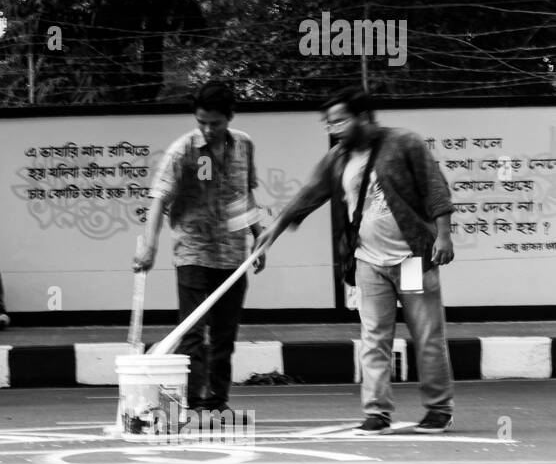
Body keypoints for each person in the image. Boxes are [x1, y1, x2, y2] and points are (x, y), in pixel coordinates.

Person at [255, 88, 455, 434]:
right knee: (374, 337)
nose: (335, 129)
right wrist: (270, 235)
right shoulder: (338, 158)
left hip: (409, 259)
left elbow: (435, 187)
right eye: (330, 124)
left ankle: (438, 409)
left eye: (340, 120)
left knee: (426, 335)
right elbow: (308, 194)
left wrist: (444, 235)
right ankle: (377, 411)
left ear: (363, 117)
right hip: (368, 261)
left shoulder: (404, 143)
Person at [134, 81, 265, 412]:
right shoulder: (183, 150)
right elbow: (158, 199)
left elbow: (243, 195)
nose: (207, 129)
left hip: (233, 255)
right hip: (193, 252)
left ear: (230, 117)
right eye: (201, 122)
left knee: (224, 337)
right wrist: (149, 246)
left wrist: (258, 234)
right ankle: (192, 403)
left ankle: (217, 402)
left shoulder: (244, 145)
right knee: (193, 334)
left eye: (215, 123)